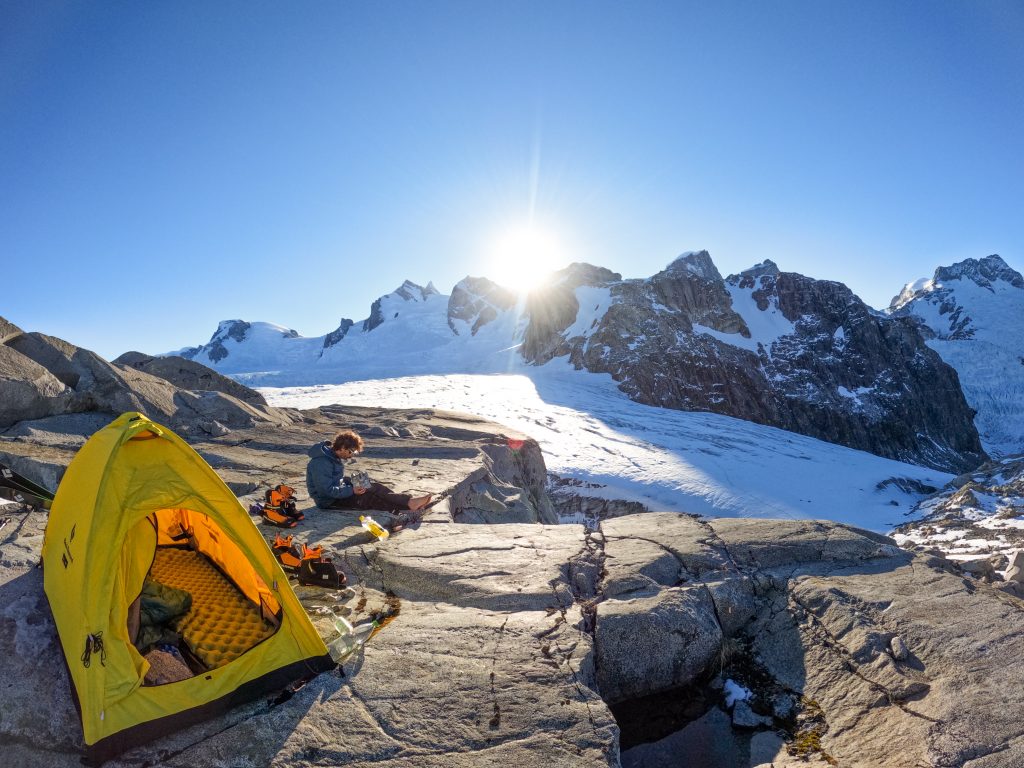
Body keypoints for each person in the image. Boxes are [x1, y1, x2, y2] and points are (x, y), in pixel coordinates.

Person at [306, 430, 431, 513]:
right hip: (328, 501)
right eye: (352, 452)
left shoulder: (333, 457)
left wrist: (351, 482)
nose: (352, 456)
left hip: (339, 491)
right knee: (368, 498)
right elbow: (326, 491)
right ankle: (406, 508)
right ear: (343, 448)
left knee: (371, 485)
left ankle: (409, 502)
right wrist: (352, 490)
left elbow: (334, 480)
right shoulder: (321, 463)